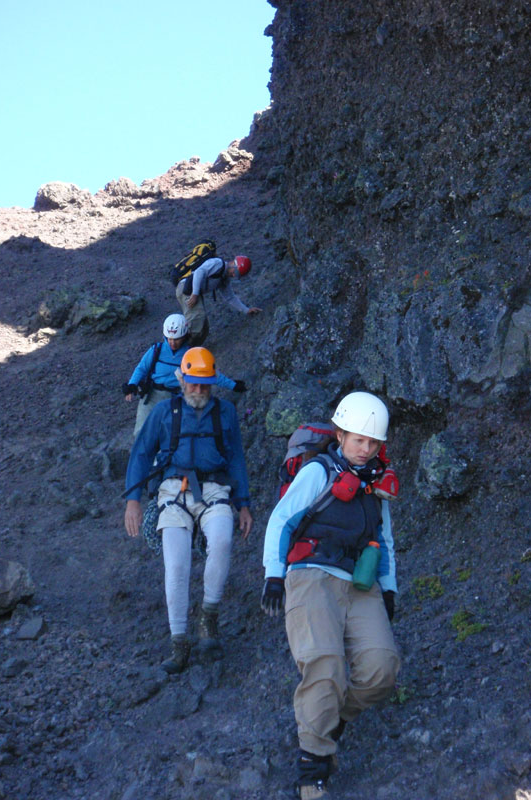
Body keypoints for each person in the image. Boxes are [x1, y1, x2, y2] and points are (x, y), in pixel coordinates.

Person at [261, 392, 400, 800]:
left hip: (360, 582)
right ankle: (313, 773)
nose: (366, 449)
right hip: (311, 575)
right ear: (340, 434)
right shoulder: (319, 472)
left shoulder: (376, 485)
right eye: (359, 440)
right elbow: (281, 521)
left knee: (381, 668)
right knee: (324, 665)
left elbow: (384, 539)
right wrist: (274, 575)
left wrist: (389, 590)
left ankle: (329, 719)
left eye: (373, 443)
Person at [124, 346, 253, 674]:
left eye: (205, 384)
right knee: (177, 565)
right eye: (193, 383)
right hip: (172, 491)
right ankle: (179, 640)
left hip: (214, 489)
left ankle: (208, 616)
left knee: (222, 541)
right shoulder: (164, 412)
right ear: (181, 380)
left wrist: (244, 504)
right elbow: (141, 454)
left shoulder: (225, 413)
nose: (198, 390)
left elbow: (236, 457)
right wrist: (133, 500)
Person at [122, 313, 246, 436]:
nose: (172, 342)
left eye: (176, 339)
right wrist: (132, 384)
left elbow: (208, 374)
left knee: (170, 436)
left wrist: (233, 385)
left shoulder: (190, 354)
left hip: (177, 398)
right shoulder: (156, 350)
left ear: (184, 336)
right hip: (152, 396)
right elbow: (142, 368)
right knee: (141, 433)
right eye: (169, 338)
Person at [175, 254, 262, 345]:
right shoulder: (217, 264)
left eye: (236, 275)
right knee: (197, 319)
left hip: (193, 292)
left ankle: (192, 349)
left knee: (204, 327)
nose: (233, 275)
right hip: (185, 289)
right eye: (234, 272)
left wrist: (246, 310)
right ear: (233, 263)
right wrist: (195, 294)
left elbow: (230, 297)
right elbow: (199, 272)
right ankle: (181, 349)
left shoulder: (224, 278)